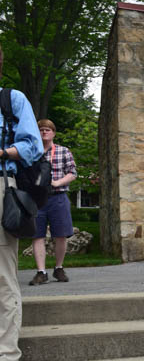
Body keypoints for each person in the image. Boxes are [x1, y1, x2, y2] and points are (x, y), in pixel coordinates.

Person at [0, 44, 45, 361]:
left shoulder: (11, 99)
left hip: (2, 184)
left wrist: (3, 150)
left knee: (3, 273)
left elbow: (32, 146)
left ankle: (7, 356)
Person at [28, 119, 77, 285]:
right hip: (37, 199)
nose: (44, 132)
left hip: (58, 197)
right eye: (41, 129)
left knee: (61, 235)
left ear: (54, 133)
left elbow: (72, 173)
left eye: (48, 129)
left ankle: (59, 268)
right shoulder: (32, 152)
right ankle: (41, 272)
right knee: (37, 235)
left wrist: (58, 182)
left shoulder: (63, 151)